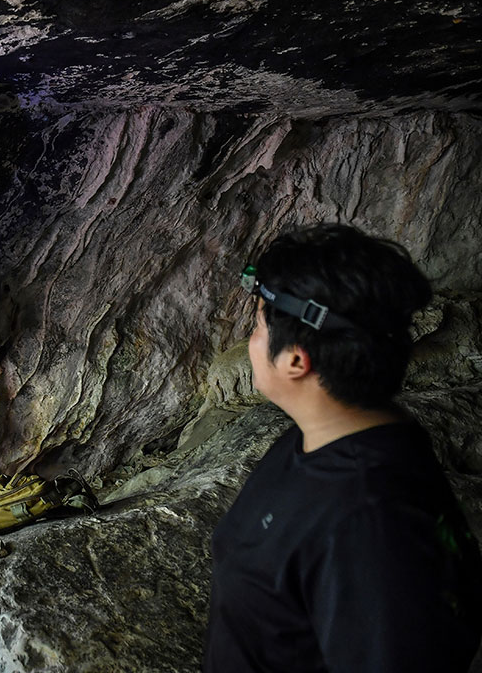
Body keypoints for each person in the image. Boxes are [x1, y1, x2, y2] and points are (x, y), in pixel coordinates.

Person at [204, 224, 482, 672]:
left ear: (296, 360)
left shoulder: (369, 523)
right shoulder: (326, 434)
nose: (249, 342)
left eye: (256, 325)